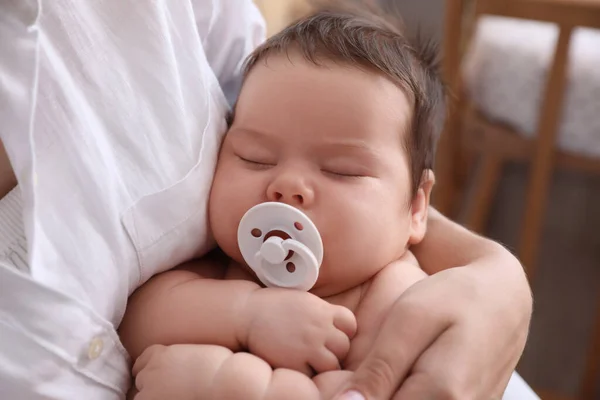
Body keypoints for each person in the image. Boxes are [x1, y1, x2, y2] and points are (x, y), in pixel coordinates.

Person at [0, 1, 533, 400]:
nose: (287, 187)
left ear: (417, 209)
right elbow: (140, 321)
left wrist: (225, 381)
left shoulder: (397, 294)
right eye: (254, 158)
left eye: (341, 170)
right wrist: (247, 313)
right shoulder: (215, 272)